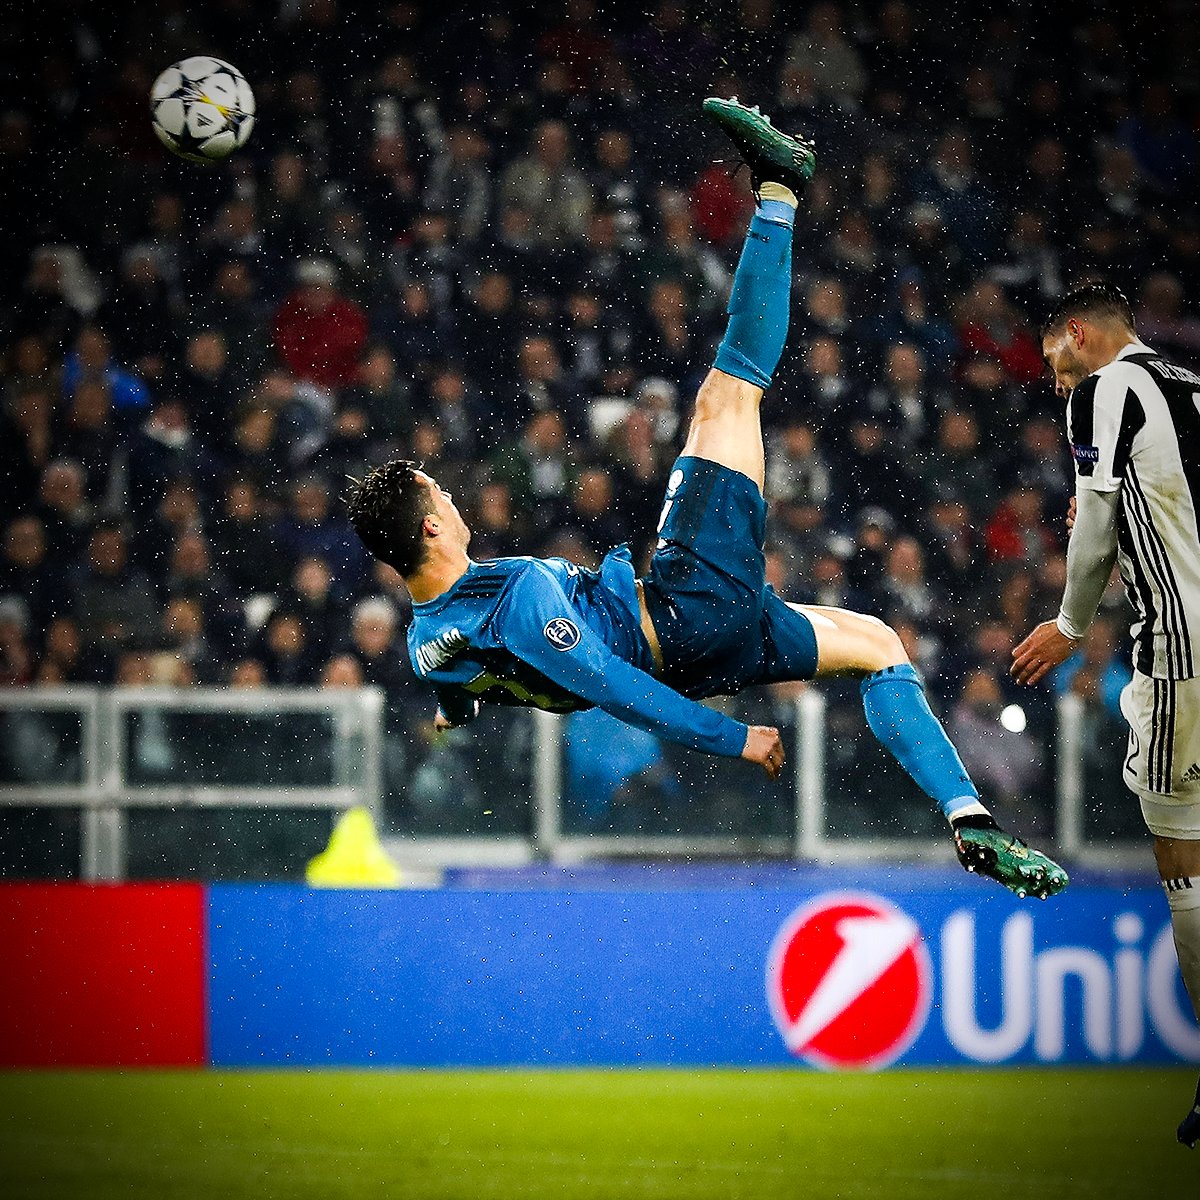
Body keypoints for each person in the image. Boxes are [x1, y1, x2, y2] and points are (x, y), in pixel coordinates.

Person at [348, 98, 1067, 901]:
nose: (453, 494)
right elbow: (613, 689)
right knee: (728, 395)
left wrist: (456, 715)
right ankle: (780, 189)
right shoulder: (519, 601)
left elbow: (454, 683)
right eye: (441, 492)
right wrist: (734, 739)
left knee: (879, 644)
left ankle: (970, 817)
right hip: (686, 613)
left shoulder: (427, 639)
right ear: (433, 525)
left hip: (702, 645)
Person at [1015, 280, 1200, 1147]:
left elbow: (1093, 525)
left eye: (1057, 365)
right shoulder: (1190, 386)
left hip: (1184, 653)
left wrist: (1068, 623)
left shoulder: (1101, 390)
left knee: (1180, 847)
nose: (1058, 384)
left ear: (1079, 334)